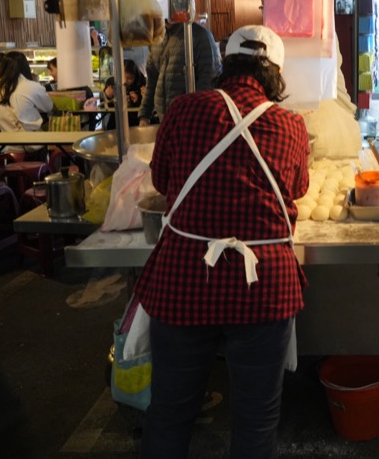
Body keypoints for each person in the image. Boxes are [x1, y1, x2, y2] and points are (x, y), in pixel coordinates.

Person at [134, 25, 310, 459]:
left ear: (225, 64)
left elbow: (161, 180)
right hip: (263, 286)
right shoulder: (290, 124)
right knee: (256, 417)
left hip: (184, 277)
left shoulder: (184, 108)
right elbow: (299, 187)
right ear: (277, 73)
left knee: (171, 411)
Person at [138, 20, 218, 126]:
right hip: (164, 119)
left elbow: (208, 80)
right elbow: (152, 81)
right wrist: (144, 114)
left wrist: (195, 115)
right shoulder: (157, 38)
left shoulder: (200, 35)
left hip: (191, 120)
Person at [0, 51, 53, 157]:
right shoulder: (32, 86)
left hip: (4, 147)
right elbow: (49, 107)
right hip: (32, 146)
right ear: (26, 67)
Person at [101, 59, 146, 130]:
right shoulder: (112, 82)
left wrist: (139, 99)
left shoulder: (142, 82)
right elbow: (104, 105)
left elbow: (148, 106)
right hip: (116, 121)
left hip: (135, 121)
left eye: (129, 78)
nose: (125, 81)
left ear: (135, 76)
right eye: (123, 77)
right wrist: (107, 96)